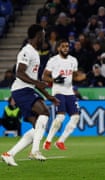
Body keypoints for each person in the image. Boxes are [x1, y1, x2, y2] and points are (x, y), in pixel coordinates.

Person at [1, 24, 59, 166]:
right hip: (21, 90)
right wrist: (37, 84)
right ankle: (34, 151)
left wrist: (48, 95)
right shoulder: (26, 51)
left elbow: (35, 82)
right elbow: (19, 73)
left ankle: (9, 154)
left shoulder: (35, 53)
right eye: (43, 36)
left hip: (27, 90)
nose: (44, 39)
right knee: (44, 112)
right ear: (38, 36)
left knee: (37, 128)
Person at [42, 39, 82, 151]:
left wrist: (81, 77)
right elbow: (44, 77)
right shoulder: (53, 60)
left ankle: (60, 141)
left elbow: (74, 76)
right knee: (61, 116)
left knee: (76, 117)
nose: (65, 48)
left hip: (69, 91)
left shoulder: (73, 60)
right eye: (63, 46)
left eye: (67, 46)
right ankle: (48, 141)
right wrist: (54, 80)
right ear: (58, 48)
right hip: (58, 91)